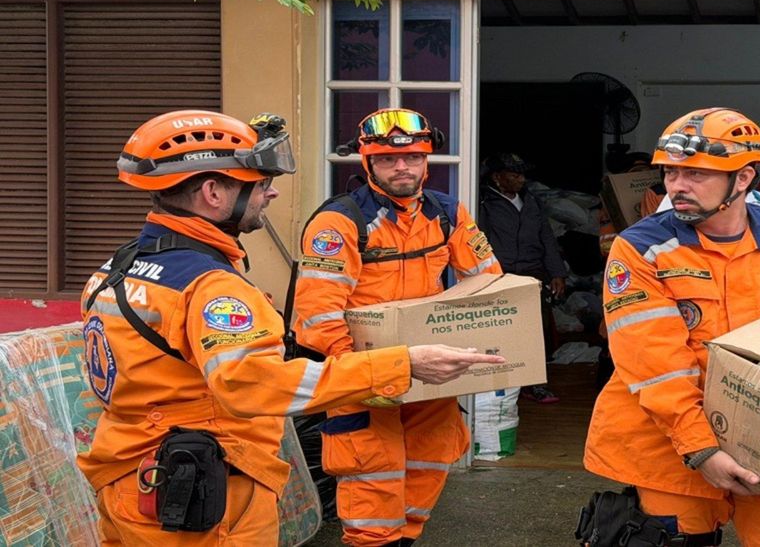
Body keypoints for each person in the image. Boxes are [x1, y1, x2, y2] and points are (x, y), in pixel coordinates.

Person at [78, 110, 503, 545]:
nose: (273, 192)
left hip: (136, 474)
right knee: (373, 484)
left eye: (413, 157)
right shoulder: (210, 286)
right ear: (212, 192)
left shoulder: (118, 267)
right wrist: (402, 366)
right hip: (197, 487)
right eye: (261, 184)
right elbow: (257, 384)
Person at [583, 107, 760, 546]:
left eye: (696, 174)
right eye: (672, 172)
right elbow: (656, 366)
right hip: (670, 442)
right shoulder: (642, 248)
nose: (677, 185)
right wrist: (701, 449)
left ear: (745, 178)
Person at [293, 108, 504, 546]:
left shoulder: (447, 213)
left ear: (427, 160)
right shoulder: (340, 222)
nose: (402, 167)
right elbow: (317, 316)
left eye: (412, 158)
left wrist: (480, 345)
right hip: (364, 373)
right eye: (388, 160)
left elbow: (489, 284)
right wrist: (359, 374)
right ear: (368, 163)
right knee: (373, 477)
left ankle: (405, 540)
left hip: (429, 374)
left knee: (430, 462)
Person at [477, 152, 568, 404]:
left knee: (536, 332)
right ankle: (500, 386)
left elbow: (547, 238)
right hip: (500, 276)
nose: (521, 179)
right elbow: (479, 242)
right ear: (497, 177)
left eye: (522, 174)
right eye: (515, 174)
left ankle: (534, 384)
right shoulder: (484, 202)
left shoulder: (531, 201)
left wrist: (557, 273)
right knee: (501, 333)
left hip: (533, 274)